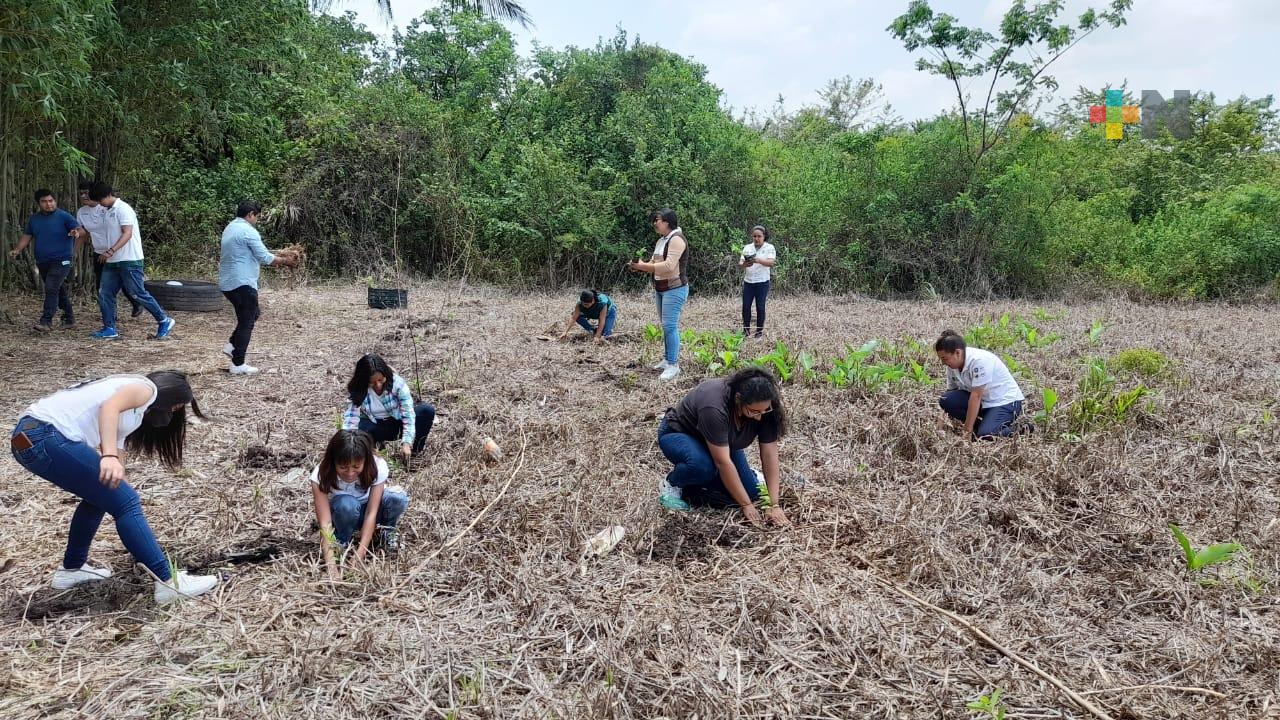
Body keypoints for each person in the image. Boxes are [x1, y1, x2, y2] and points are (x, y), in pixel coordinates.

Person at [9, 371, 219, 604]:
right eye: (176, 407)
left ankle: (72, 569)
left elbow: (117, 445)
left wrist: (117, 474)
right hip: (45, 435)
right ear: (171, 396)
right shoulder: (145, 388)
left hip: (28, 439)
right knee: (127, 503)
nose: (173, 412)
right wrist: (107, 456)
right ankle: (169, 582)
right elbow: (108, 409)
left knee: (103, 497)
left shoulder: (133, 412)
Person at [656, 367, 791, 528]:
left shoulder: (766, 411)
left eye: (764, 410)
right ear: (738, 399)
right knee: (703, 467)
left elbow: (770, 455)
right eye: (754, 411)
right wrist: (746, 505)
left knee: (751, 492)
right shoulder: (715, 407)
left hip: (723, 444)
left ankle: (748, 474)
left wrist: (773, 504)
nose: (759, 416)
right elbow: (723, 462)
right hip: (680, 434)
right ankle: (673, 483)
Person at [311, 429, 410, 578]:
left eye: (356, 467)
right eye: (343, 467)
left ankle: (386, 533)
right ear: (333, 461)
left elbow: (371, 513)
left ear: (365, 461)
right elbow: (325, 524)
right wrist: (331, 567)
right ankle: (341, 541)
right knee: (346, 504)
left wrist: (360, 554)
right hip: (344, 512)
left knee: (397, 498)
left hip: (368, 512)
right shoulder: (321, 475)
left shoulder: (377, 466)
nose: (350, 473)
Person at [218, 200, 299, 375]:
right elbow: (265, 257)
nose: (256, 220)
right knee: (247, 321)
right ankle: (238, 364)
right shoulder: (248, 231)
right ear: (251, 214)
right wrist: (286, 261)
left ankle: (232, 345)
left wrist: (277, 255)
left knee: (253, 314)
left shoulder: (230, 227)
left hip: (228, 282)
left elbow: (256, 251)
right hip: (242, 282)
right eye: (256, 217)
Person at [86, 182, 175, 340]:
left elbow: (127, 233)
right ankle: (109, 328)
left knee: (137, 293)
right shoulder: (106, 211)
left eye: (100, 200)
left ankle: (164, 320)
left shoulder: (123, 209)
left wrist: (110, 250)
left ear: (107, 196)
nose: (99, 204)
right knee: (105, 293)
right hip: (112, 262)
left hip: (129, 260)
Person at [628, 207, 689, 381]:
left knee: (670, 326)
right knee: (666, 326)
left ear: (668, 222)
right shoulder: (662, 240)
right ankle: (667, 359)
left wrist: (643, 266)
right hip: (661, 288)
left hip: (675, 288)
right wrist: (639, 267)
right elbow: (654, 263)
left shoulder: (677, 239)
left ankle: (673, 365)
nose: (655, 223)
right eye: (655, 220)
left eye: (658, 220)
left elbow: (669, 266)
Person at [9, 189, 83, 331]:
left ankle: (46, 321)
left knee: (51, 287)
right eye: (44, 201)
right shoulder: (34, 219)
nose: (48, 204)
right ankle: (69, 318)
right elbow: (27, 236)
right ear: (38, 203)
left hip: (62, 259)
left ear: (55, 201)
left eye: (51, 201)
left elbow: (78, 229)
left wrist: (75, 232)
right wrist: (17, 250)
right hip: (43, 260)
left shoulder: (64, 216)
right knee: (57, 289)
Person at [342, 354, 435, 462]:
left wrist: (407, 441)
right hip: (374, 426)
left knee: (426, 411)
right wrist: (347, 445)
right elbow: (351, 418)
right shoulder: (359, 388)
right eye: (372, 382)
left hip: (396, 424)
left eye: (381, 380)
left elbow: (408, 413)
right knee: (360, 428)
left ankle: (415, 451)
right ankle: (373, 449)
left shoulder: (397, 384)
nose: (378, 385)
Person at [935, 330, 1026, 439]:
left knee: (986, 435)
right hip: (983, 402)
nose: (943, 363)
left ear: (958, 353)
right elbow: (948, 394)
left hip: (1004, 402)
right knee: (946, 399)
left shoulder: (980, 361)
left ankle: (1021, 428)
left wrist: (966, 432)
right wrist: (939, 427)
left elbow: (976, 396)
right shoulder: (952, 366)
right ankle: (981, 427)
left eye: (944, 359)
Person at [76, 182, 141, 319]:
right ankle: (111, 316)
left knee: (127, 285)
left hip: (117, 251)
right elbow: (84, 232)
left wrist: (111, 250)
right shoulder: (82, 212)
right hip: (100, 252)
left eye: (87, 192)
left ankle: (140, 304)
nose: (84, 196)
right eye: (81, 193)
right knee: (103, 287)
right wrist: (74, 250)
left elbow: (126, 231)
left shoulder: (108, 207)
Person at [739, 225, 777, 338]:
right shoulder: (747, 248)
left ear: (764, 236)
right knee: (746, 306)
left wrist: (757, 260)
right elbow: (740, 264)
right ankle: (746, 331)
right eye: (754, 236)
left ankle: (759, 332)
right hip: (749, 282)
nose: (756, 238)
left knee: (760, 307)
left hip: (762, 282)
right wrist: (746, 264)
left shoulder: (769, 247)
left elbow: (771, 262)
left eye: (759, 236)